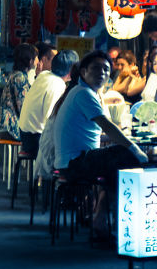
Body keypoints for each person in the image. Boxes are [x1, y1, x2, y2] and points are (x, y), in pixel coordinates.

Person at [54, 50, 149, 236]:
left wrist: (123, 142)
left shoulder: (83, 92)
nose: (102, 73)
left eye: (106, 69)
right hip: (74, 163)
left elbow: (95, 133)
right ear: (83, 72)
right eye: (96, 68)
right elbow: (107, 126)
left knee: (118, 164)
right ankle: (105, 219)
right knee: (127, 157)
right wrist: (134, 148)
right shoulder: (84, 94)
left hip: (73, 160)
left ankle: (99, 215)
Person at [17, 49, 79, 156]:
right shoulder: (57, 84)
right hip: (35, 140)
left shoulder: (44, 75)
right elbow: (51, 119)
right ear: (71, 71)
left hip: (26, 135)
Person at [0, 43, 38, 141]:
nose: (38, 60)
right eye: (36, 57)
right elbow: (23, 107)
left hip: (6, 126)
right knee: (38, 137)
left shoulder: (16, 74)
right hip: (11, 128)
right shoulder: (20, 78)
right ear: (30, 60)